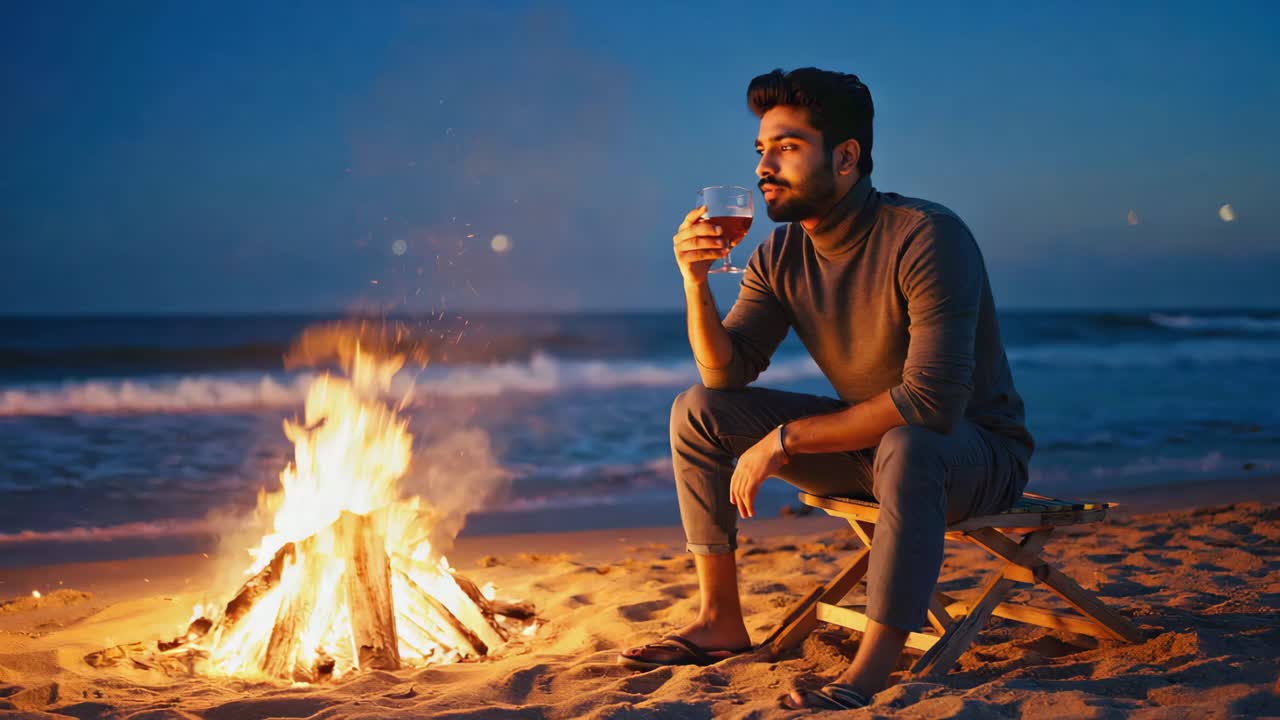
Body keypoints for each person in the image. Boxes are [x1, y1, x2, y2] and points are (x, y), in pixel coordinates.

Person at [617, 68, 1036, 711]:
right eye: (760, 150)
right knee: (697, 413)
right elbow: (724, 375)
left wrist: (784, 440)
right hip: (875, 448)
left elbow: (931, 404)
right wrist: (694, 282)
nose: (764, 166)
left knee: (909, 444)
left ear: (846, 158)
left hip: (972, 453)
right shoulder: (780, 256)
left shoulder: (926, 234)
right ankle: (720, 621)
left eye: (786, 147)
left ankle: (869, 670)